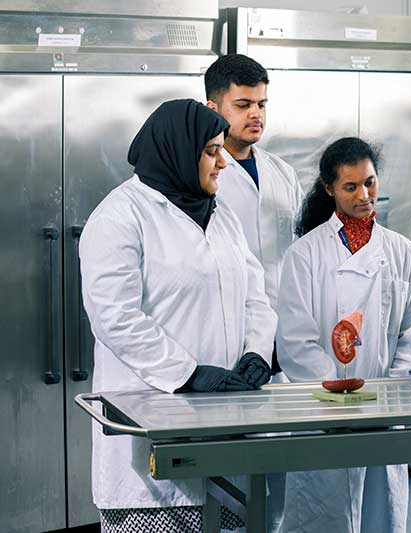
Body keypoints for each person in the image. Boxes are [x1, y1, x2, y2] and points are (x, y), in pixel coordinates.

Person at [80, 99, 277, 533]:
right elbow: (115, 316)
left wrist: (257, 351)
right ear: (178, 152)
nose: (223, 162)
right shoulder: (120, 216)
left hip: (223, 419)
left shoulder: (221, 215)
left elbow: (254, 296)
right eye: (211, 151)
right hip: (152, 417)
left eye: (221, 149)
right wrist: (187, 373)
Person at [277, 137, 411, 533]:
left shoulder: (403, 252)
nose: (364, 195)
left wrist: (393, 391)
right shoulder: (305, 255)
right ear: (329, 189)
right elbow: (295, 339)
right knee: (324, 514)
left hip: (384, 411)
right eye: (350, 186)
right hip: (322, 410)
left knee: (381, 514)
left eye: (370, 183)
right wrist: (336, 392)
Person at [205, 53, 304, 532]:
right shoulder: (204, 174)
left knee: (279, 461)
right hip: (231, 338)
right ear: (213, 106)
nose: (256, 114)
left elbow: (296, 254)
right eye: (243, 104)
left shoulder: (282, 171)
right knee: (229, 466)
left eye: (262, 103)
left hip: (283, 338)